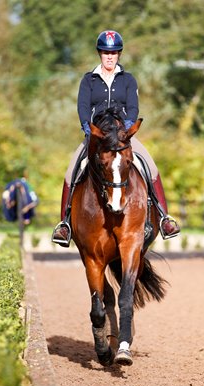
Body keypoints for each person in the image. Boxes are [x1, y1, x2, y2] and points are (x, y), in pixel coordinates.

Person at [52, 30, 180, 247]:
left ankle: (165, 218)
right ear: (99, 54)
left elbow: (133, 108)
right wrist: (88, 129)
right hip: (97, 137)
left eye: (113, 53)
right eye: (105, 52)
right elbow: (83, 107)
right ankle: (65, 224)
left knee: (151, 166)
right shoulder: (88, 79)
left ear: (119, 54)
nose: (109, 57)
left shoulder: (127, 80)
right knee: (70, 171)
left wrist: (126, 131)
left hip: (122, 137)